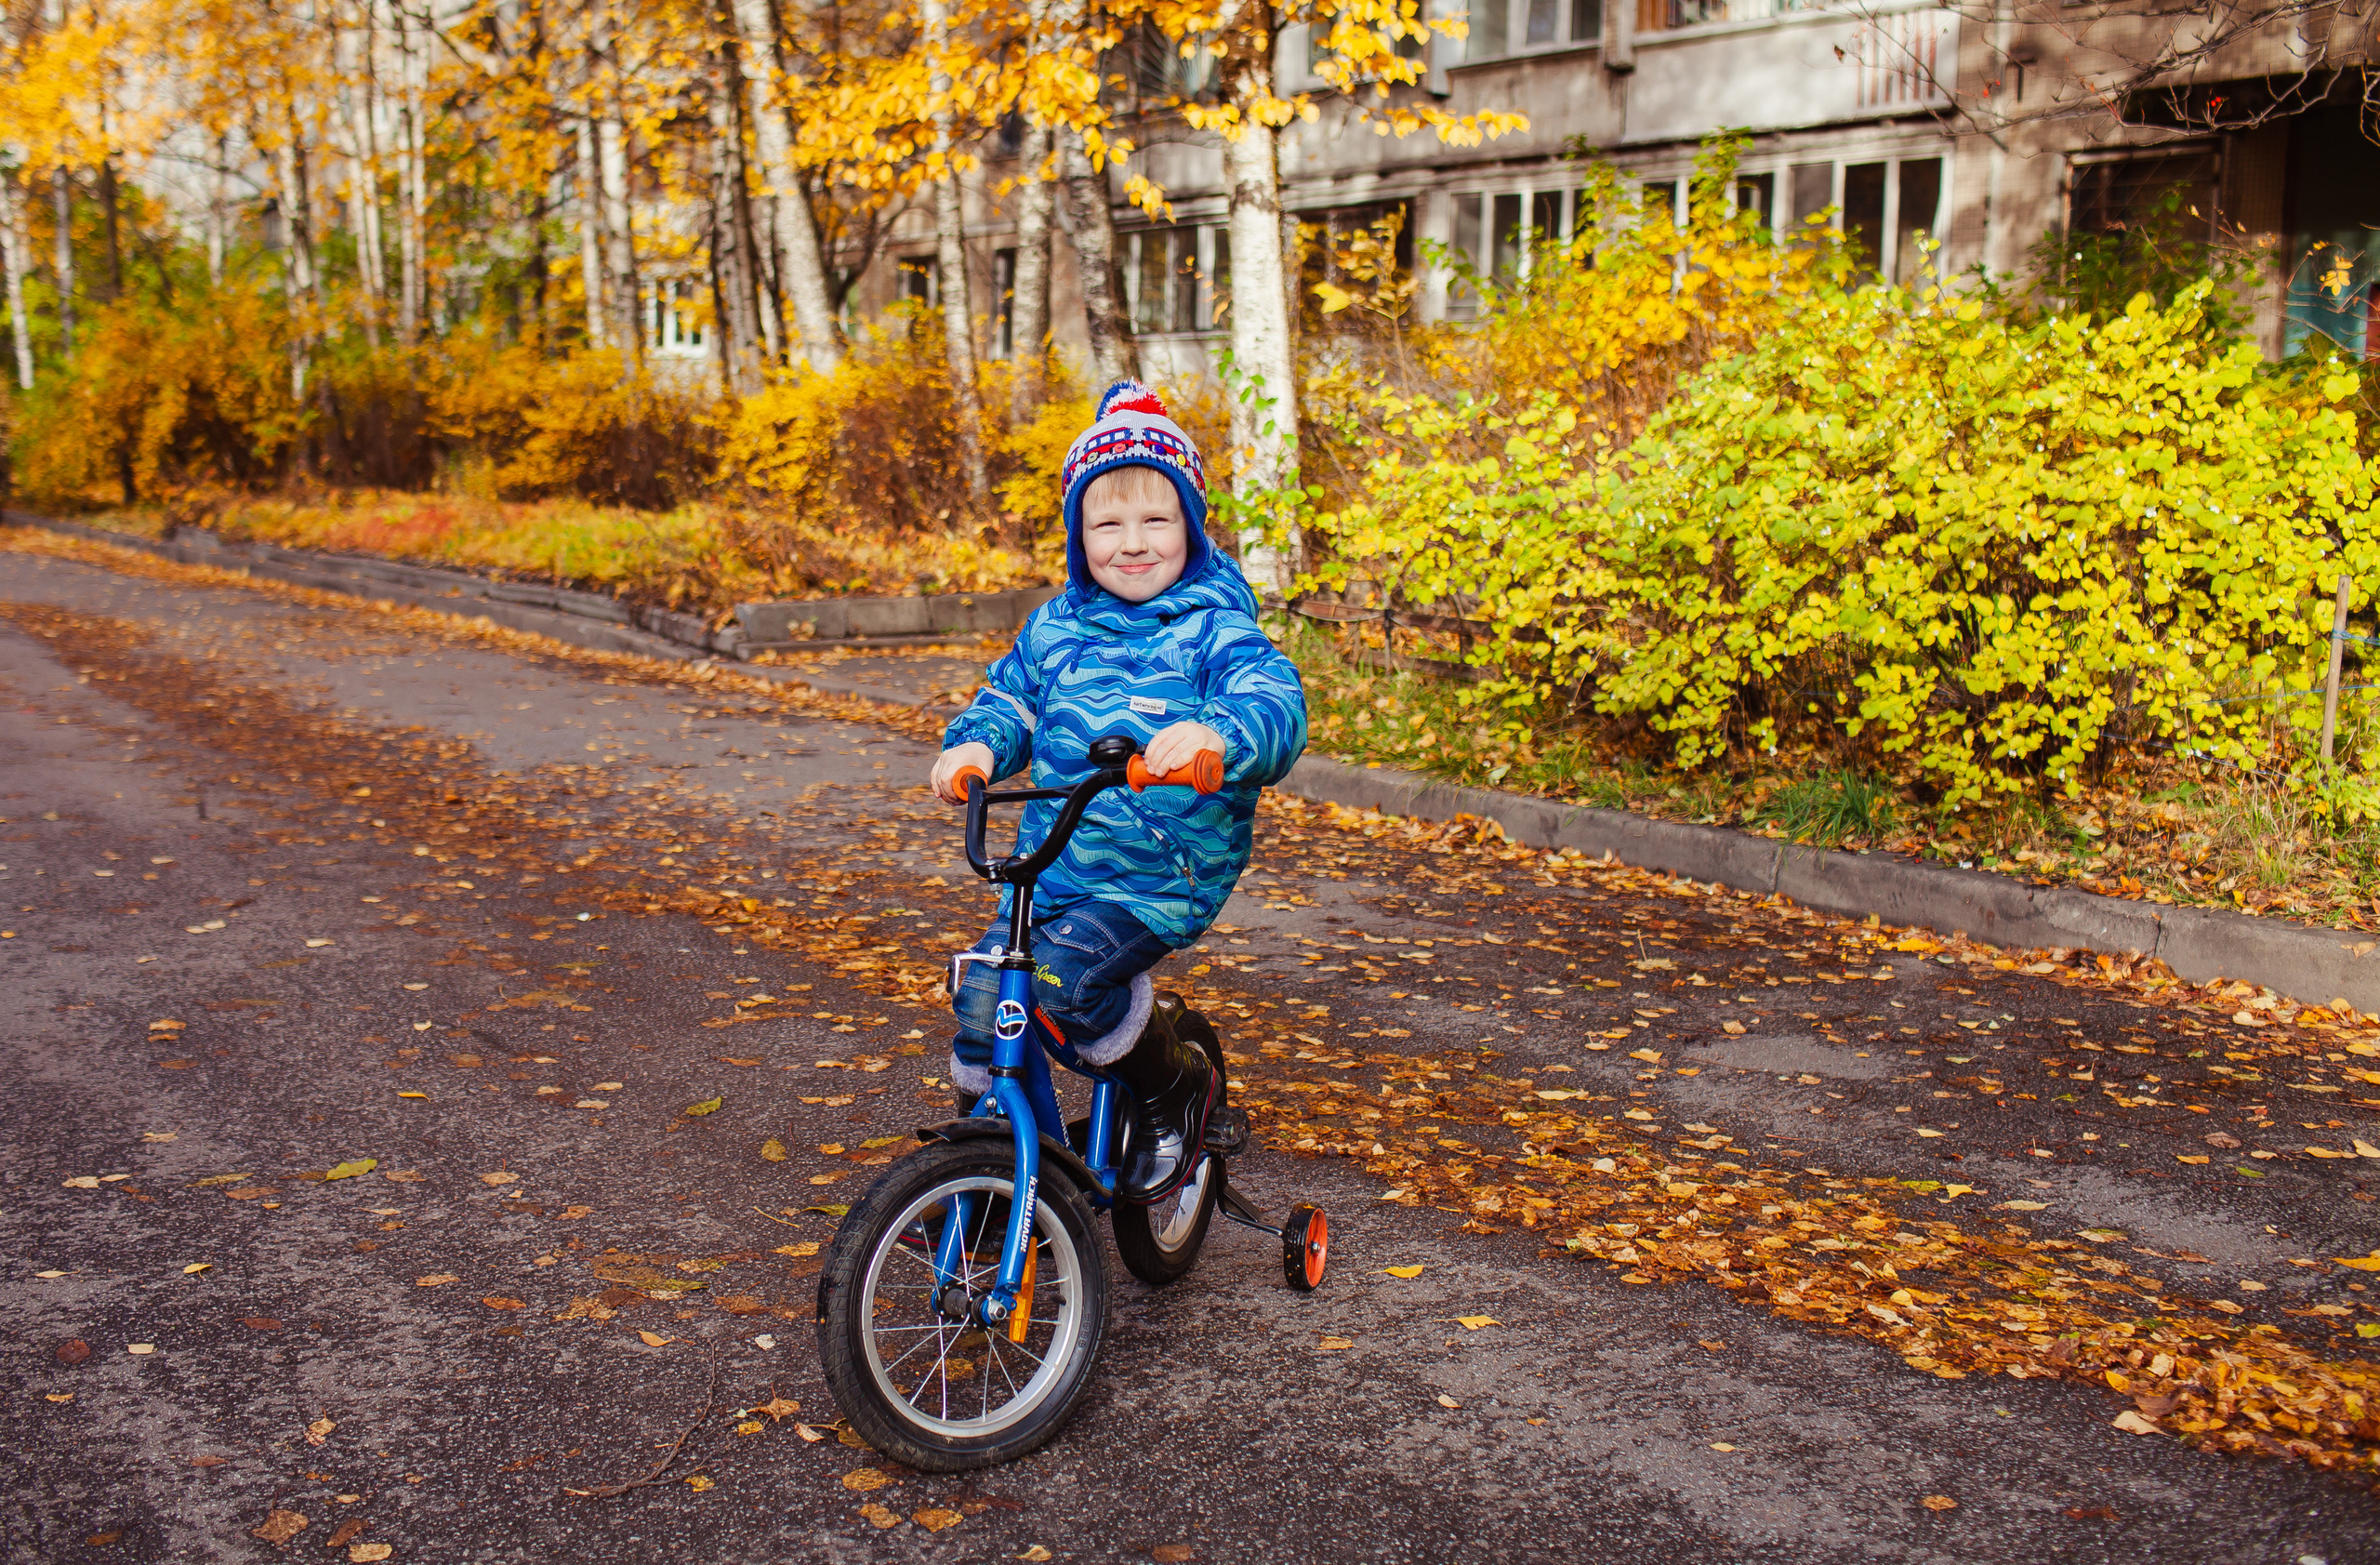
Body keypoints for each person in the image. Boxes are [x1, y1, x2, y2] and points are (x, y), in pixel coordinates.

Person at [929, 380, 1308, 1203]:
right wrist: (978, 744)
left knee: (1065, 983)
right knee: (984, 996)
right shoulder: (1056, 626)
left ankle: (1175, 1091)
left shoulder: (1216, 628)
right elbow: (1013, 698)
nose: (1132, 544)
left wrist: (1219, 735)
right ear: (1077, 534)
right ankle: (995, 1181)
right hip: (1056, 858)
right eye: (1107, 524)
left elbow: (1273, 703)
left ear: (1192, 526)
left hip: (1158, 870)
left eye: (1155, 521)